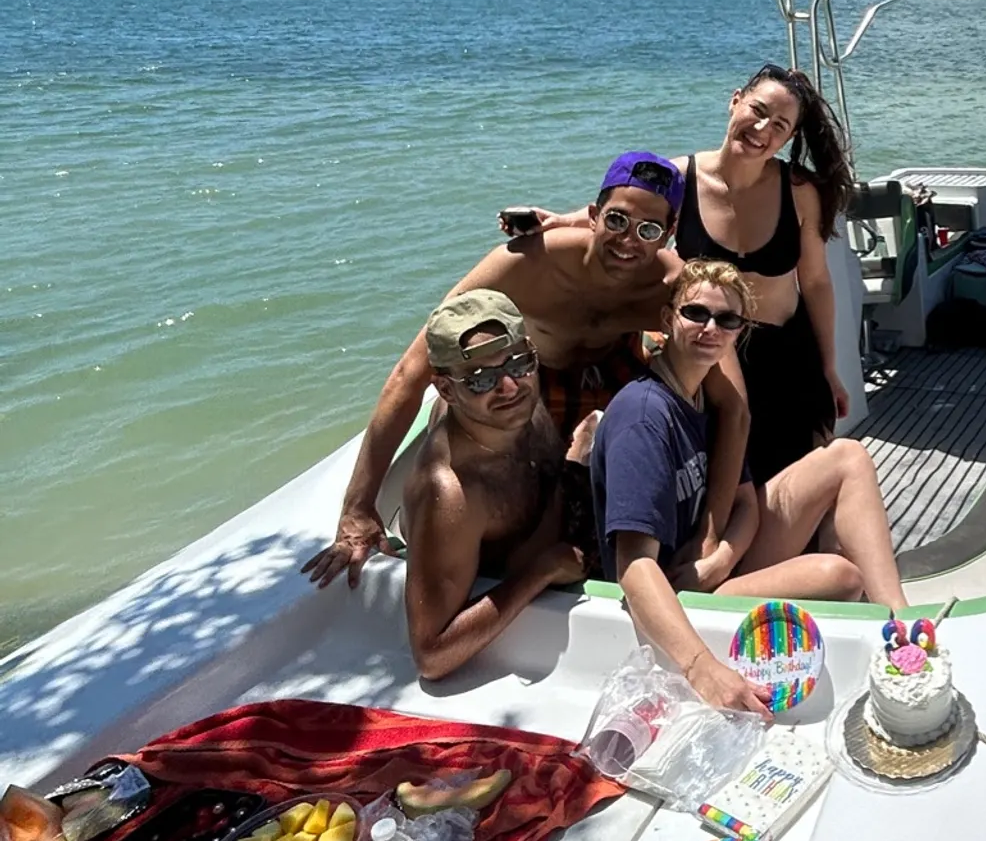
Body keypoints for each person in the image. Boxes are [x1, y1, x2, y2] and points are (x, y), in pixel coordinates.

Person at [302, 151, 746, 590]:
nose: (629, 240)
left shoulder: (676, 287)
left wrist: (711, 533)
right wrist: (358, 506)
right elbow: (415, 371)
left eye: (648, 230)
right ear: (592, 215)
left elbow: (735, 410)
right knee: (464, 433)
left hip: (620, 373)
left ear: (668, 234)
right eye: (617, 221)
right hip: (536, 376)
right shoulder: (527, 263)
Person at [591, 259, 910, 713]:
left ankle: (903, 623)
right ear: (667, 320)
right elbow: (635, 568)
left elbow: (745, 503)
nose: (710, 329)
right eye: (695, 313)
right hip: (674, 594)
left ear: (739, 331)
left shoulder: (703, 396)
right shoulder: (644, 418)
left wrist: (721, 558)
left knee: (848, 456)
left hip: (710, 566)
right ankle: (890, 635)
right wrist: (701, 666)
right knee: (841, 576)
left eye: (727, 319)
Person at [671, 65, 854, 485]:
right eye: (757, 110)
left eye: (779, 126)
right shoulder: (679, 180)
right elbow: (619, 220)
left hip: (789, 357)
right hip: (713, 357)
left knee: (796, 489)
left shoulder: (798, 190)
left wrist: (829, 366)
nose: (761, 129)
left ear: (788, 139)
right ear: (735, 100)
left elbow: (815, 282)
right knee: (727, 489)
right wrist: (555, 223)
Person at [398, 291, 590, 680]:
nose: (507, 386)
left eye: (519, 363)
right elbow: (431, 656)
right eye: (480, 378)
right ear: (447, 390)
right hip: (533, 574)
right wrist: (543, 570)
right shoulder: (452, 494)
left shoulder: (515, 401)